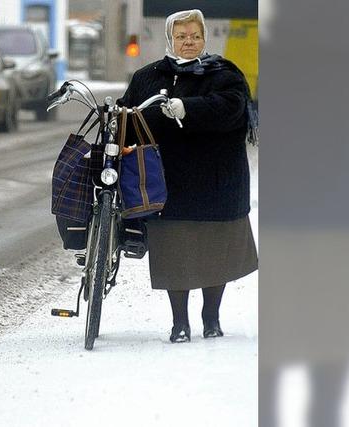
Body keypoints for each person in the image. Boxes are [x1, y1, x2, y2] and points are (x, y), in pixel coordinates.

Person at [117, 9, 258, 343]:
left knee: (215, 252)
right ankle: (179, 322)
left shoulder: (225, 73)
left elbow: (232, 108)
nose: (189, 42)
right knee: (174, 253)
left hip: (218, 179)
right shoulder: (148, 76)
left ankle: (211, 317)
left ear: (204, 37)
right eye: (181, 37)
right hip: (169, 182)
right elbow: (129, 114)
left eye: (195, 35)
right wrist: (119, 122)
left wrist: (187, 108)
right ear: (171, 39)